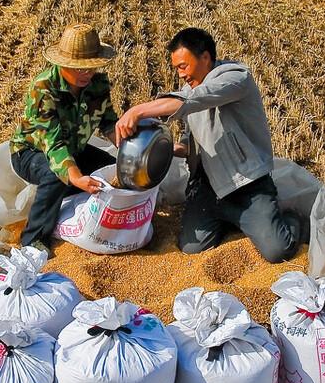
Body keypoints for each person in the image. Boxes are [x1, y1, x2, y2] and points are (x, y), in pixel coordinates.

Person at [116, 27, 302, 264]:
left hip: (246, 184)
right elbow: (188, 142)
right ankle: (227, 220)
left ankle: (290, 219)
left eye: (183, 66)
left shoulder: (235, 77)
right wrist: (162, 150)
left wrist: (137, 111)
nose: (181, 74)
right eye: (176, 69)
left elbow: (198, 98)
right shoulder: (188, 91)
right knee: (192, 248)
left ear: (205, 57)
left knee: (278, 250)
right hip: (208, 188)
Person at [10, 23, 119, 252]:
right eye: (80, 69)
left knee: (114, 170)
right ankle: (33, 240)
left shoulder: (97, 85)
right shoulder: (44, 88)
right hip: (31, 152)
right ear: (63, 64)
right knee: (55, 175)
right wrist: (76, 177)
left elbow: (108, 122)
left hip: (74, 148)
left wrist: (128, 146)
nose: (87, 74)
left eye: (90, 68)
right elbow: (53, 144)